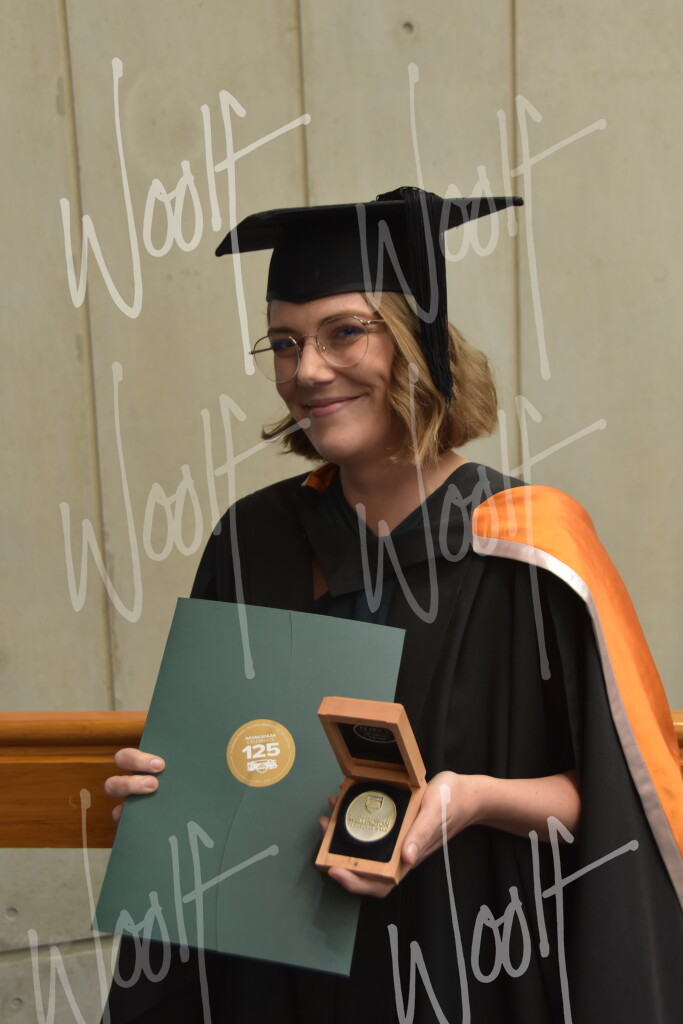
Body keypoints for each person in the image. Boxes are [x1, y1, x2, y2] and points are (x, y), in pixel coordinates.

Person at [103, 187, 683, 1022]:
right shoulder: (252, 542)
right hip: (284, 980)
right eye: (284, 342)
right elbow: (234, 766)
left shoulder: (529, 549)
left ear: (421, 346)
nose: (307, 370)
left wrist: (474, 798)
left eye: (344, 331)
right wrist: (171, 790)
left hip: (469, 967)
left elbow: (621, 805)